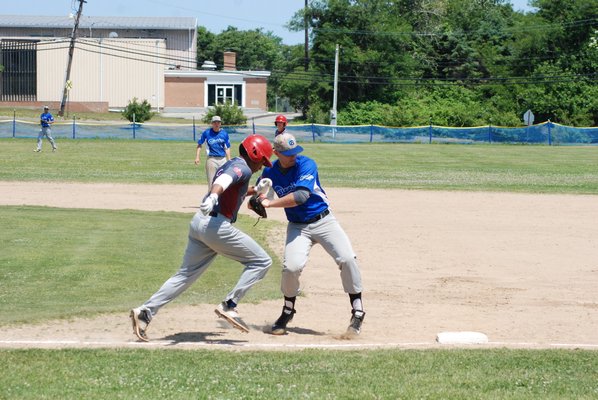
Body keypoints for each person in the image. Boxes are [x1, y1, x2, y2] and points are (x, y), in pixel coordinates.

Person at [130, 134, 274, 341]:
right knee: (262, 261)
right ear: (254, 154)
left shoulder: (233, 163)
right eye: (262, 160)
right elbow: (225, 182)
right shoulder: (241, 168)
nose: (262, 166)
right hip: (216, 227)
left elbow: (233, 188)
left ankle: (145, 311)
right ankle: (229, 305)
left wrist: (256, 190)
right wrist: (215, 195)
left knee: (184, 275)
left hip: (199, 222)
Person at [253, 133, 366, 337]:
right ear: (276, 153)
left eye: (295, 151)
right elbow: (263, 193)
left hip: (323, 220)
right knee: (291, 268)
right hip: (298, 227)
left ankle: (357, 310)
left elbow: (301, 196)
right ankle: (287, 311)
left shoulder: (307, 164)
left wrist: (269, 203)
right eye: (288, 154)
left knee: (347, 258)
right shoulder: (271, 171)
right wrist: (258, 196)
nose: (293, 156)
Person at [195, 115, 231, 186]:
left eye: (218, 122)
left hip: (223, 160)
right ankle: (211, 196)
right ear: (212, 123)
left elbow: (227, 148)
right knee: (211, 183)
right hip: (211, 160)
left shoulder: (224, 134)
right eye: (215, 122)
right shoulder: (207, 133)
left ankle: (221, 197)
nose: (216, 124)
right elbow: (199, 145)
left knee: (223, 183)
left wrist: (229, 159)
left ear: (220, 123)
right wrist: (197, 157)